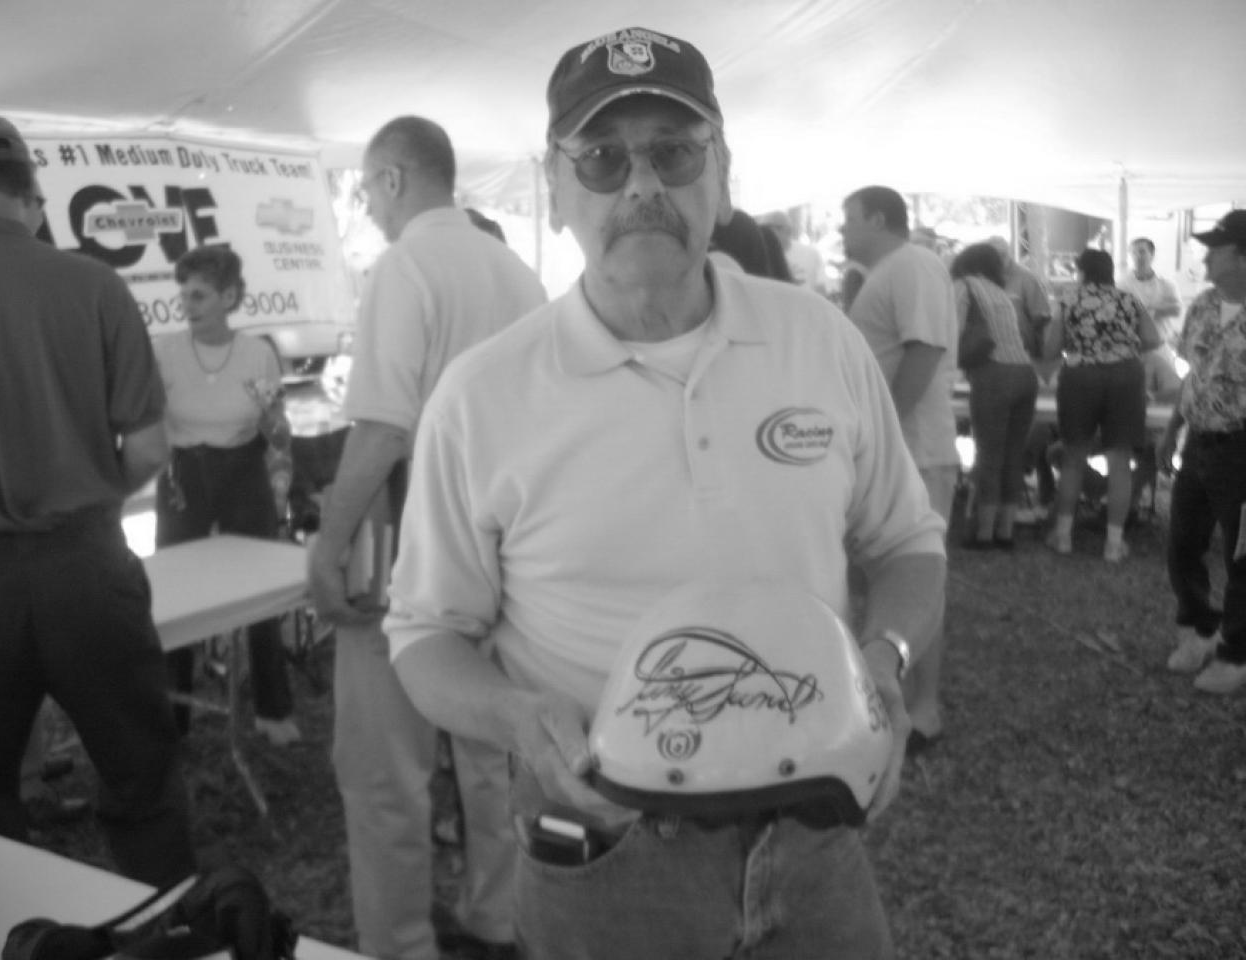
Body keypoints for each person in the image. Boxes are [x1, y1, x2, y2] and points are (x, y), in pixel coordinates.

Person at [386, 28, 946, 960]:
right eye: (603, 159)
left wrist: (883, 664)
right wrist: (520, 720)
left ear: (721, 176)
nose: (641, 184)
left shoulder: (820, 341)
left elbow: (906, 543)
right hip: (606, 846)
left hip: (815, 825)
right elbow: (423, 636)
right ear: (556, 187)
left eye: (675, 153)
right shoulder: (481, 397)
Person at [306, 116, 546, 960]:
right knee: (492, 753)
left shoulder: (404, 268)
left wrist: (328, 545)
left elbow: (381, 429)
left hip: (411, 556)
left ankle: (402, 942)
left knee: (385, 771)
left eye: (368, 189)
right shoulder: (518, 274)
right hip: (510, 554)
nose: (368, 207)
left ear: (395, 179)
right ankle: (497, 919)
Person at [0, 107, 197, 885]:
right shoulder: (94, 284)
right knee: (143, 779)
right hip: (87, 565)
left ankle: (1, 925)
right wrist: (94, 492)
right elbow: (151, 448)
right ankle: (167, 918)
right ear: (28, 193)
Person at [152, 245, 301, 746]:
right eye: (183, 294)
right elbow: (148, 419)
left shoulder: (257, 354)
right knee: (174, 595)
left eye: (198, 295)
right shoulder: (165, 351)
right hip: (184, 476)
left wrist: (275, 439)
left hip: (242, 471)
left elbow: (276, 431)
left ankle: (273, 710)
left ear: (229, 297)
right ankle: (171, 718)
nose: (186, 305)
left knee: (259, 590)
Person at [842, 184, 958, 752]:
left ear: (878, 218)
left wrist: (882, 433)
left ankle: (923, 709)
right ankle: (887, 700)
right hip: (900, 449)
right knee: (884, 578)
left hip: (915, 448)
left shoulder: (913, 265)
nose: (842, 231)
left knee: (914, 574)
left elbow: (924, 350)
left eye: (849, 219)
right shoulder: (891, 271)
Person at [1157, 210, 1246, 694]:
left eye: (1216, 248)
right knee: (1183, 542)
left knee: (1241, 555)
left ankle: (1236, 652)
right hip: (1198, 443)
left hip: (1241, 447)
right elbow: (1192, 374)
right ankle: (1199, 628)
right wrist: (1172, 428)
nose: (1206, 257)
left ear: (1242, 256)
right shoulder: (1205, 305)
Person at [1042, 248, 1162, 562]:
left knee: (1073, 457)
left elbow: (1051, 348)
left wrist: (1080, 343)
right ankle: (1114, 543)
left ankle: (1063, 536)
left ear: (1081, 272)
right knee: (1120, 461)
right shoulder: (1129, 299)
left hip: (1080, 375)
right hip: (1126, 375)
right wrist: (1121, 344)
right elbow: (1153, 339)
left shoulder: (1068, 299)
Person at [951, 242, 1038, 547]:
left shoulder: (964, 286)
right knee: (1013, 455)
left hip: (993, 373)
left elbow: (952, 331)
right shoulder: (1001, 293)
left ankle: (984, 533)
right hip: (1025, 374)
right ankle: (1006, 531)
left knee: (989, 455)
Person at [988, 235, 1053, 359]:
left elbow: (1042, 317)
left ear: (1009, 254)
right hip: (990, 353)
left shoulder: (1027, 278)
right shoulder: (983, 278)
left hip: (1021, 352)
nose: (998, 260)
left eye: (1002, 255)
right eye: (993, 256)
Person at [1119, 237, 1183, 348]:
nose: (1138, 256)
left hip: (1160, 344)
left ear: (1152, 254)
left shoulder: (1166, 283)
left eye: (1142, 252)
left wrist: (1148, 311)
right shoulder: (1122, 284)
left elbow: (1177, 310)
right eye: (1133, 253)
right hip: (1131, 345)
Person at [759, 209, 825, 292]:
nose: (765, 233)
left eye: (772, 228)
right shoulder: (759, 256)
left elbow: (821, 287)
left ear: (788, 230)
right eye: (762, 229)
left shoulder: (811, 254)